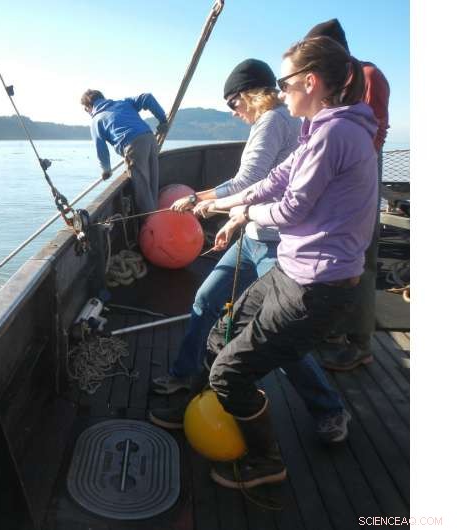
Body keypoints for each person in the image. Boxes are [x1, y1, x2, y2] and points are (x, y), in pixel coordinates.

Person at [197, 36, 378, 489]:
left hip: (316, 287)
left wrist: (244, 213)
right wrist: (228, 205)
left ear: (310, 82)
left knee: (228, 371)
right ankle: (238, 409)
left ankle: (266, 460)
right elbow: (276, 178)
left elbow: (291, 208)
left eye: (285, 81)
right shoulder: (319, 128)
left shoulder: (334, 132)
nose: (281, 91)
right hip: (291, 272)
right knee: (222, 334)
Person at [148, 59, 350, 444]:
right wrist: (232, 219)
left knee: (280, 337)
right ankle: (186, 376)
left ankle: (329, 409)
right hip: (253, 235)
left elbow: (248, 181)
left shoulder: (273, 120)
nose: (234, 113)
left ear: (249, 95)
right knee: (207, 299)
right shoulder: (289, 121)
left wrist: (199, 198)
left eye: (233, 104)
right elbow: (267, 184)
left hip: (276, 246)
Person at [304, 18, 391, 371]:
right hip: (333, 181)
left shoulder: (368, 76)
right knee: (333, 253)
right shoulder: (331, 83)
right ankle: (332, 332)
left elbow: (375, 133)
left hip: (357, 181)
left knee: (361, 258)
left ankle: (360, 343)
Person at [81, 89, 168, 213]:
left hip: (133, 146)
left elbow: (101, 150)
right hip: (150, 138)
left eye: (86, 109)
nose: (87, 112)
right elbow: (147, 97)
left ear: (89, 106)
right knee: (152, 184)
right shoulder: (123, 103)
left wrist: (106, 170)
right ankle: (157, 216)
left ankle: (152, 224)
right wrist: (162, 119)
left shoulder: (96, 121)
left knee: (142, 189)